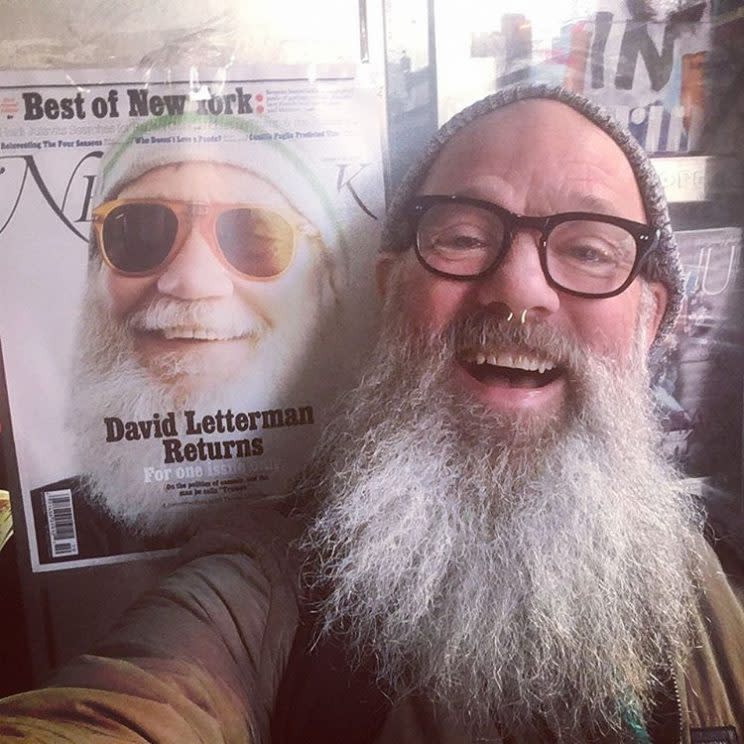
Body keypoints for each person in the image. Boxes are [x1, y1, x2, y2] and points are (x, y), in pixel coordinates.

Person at [3, 84, 743, 742]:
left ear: (651, 318)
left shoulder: (695, 573)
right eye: (462, 236)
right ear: (388, 291)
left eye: (589, 250)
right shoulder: (264, 594)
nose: (519, 290)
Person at [30, 115, 344, 562]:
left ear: (324, 285)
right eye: (139, 231)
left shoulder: (371, 514)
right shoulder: (46, 517)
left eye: (256, 235)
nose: (191, 280)